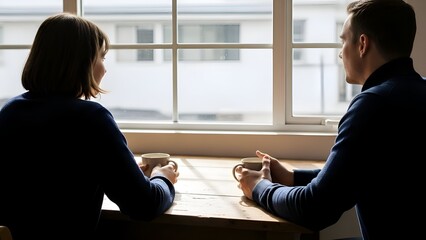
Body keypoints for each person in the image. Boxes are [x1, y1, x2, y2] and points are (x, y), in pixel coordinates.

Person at [235, 0, 425, 239]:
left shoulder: (374, 104)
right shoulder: (416, 93)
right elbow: (358, 174)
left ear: (362, 44)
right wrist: (292, 177)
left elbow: (313, 209)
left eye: (344, 40)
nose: (340, 51)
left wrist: (259, 188)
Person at [0, 13, 179, 240]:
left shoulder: (10, 111)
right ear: (82, 62)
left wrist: (126, 172)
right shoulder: (91, 118)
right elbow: (144, 206)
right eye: (102, 58)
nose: (105, 69)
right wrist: (163, 178)